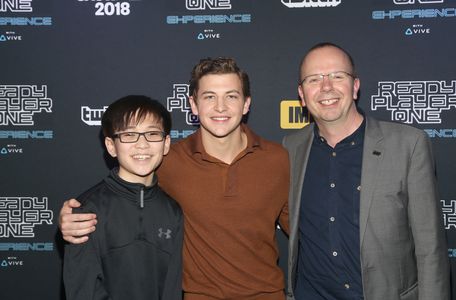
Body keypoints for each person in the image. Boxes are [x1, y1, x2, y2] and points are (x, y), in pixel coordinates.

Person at [60, 58, 290, 299]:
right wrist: (70, 217)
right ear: (193, 104)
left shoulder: (277, 159)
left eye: (231, 96)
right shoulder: (167, 160)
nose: (220, 107)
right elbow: (122, 192)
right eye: (209, 96)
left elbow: (301, 226)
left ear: (246, 104)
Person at [283, 42, 450, 300]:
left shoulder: (408, 144)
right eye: (314, 79)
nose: (326, 87)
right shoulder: (291, 148)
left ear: (355, 86)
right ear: (302, 94)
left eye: (338, 76)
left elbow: (430, 248)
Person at [63, 95, 183, 300]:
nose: (142, 145)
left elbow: (173, 286)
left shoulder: (173, 211)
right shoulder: (86, 211)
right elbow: (83, 291)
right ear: (111, 145)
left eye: (152, 134)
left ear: (166, 143)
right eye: (129, 135)